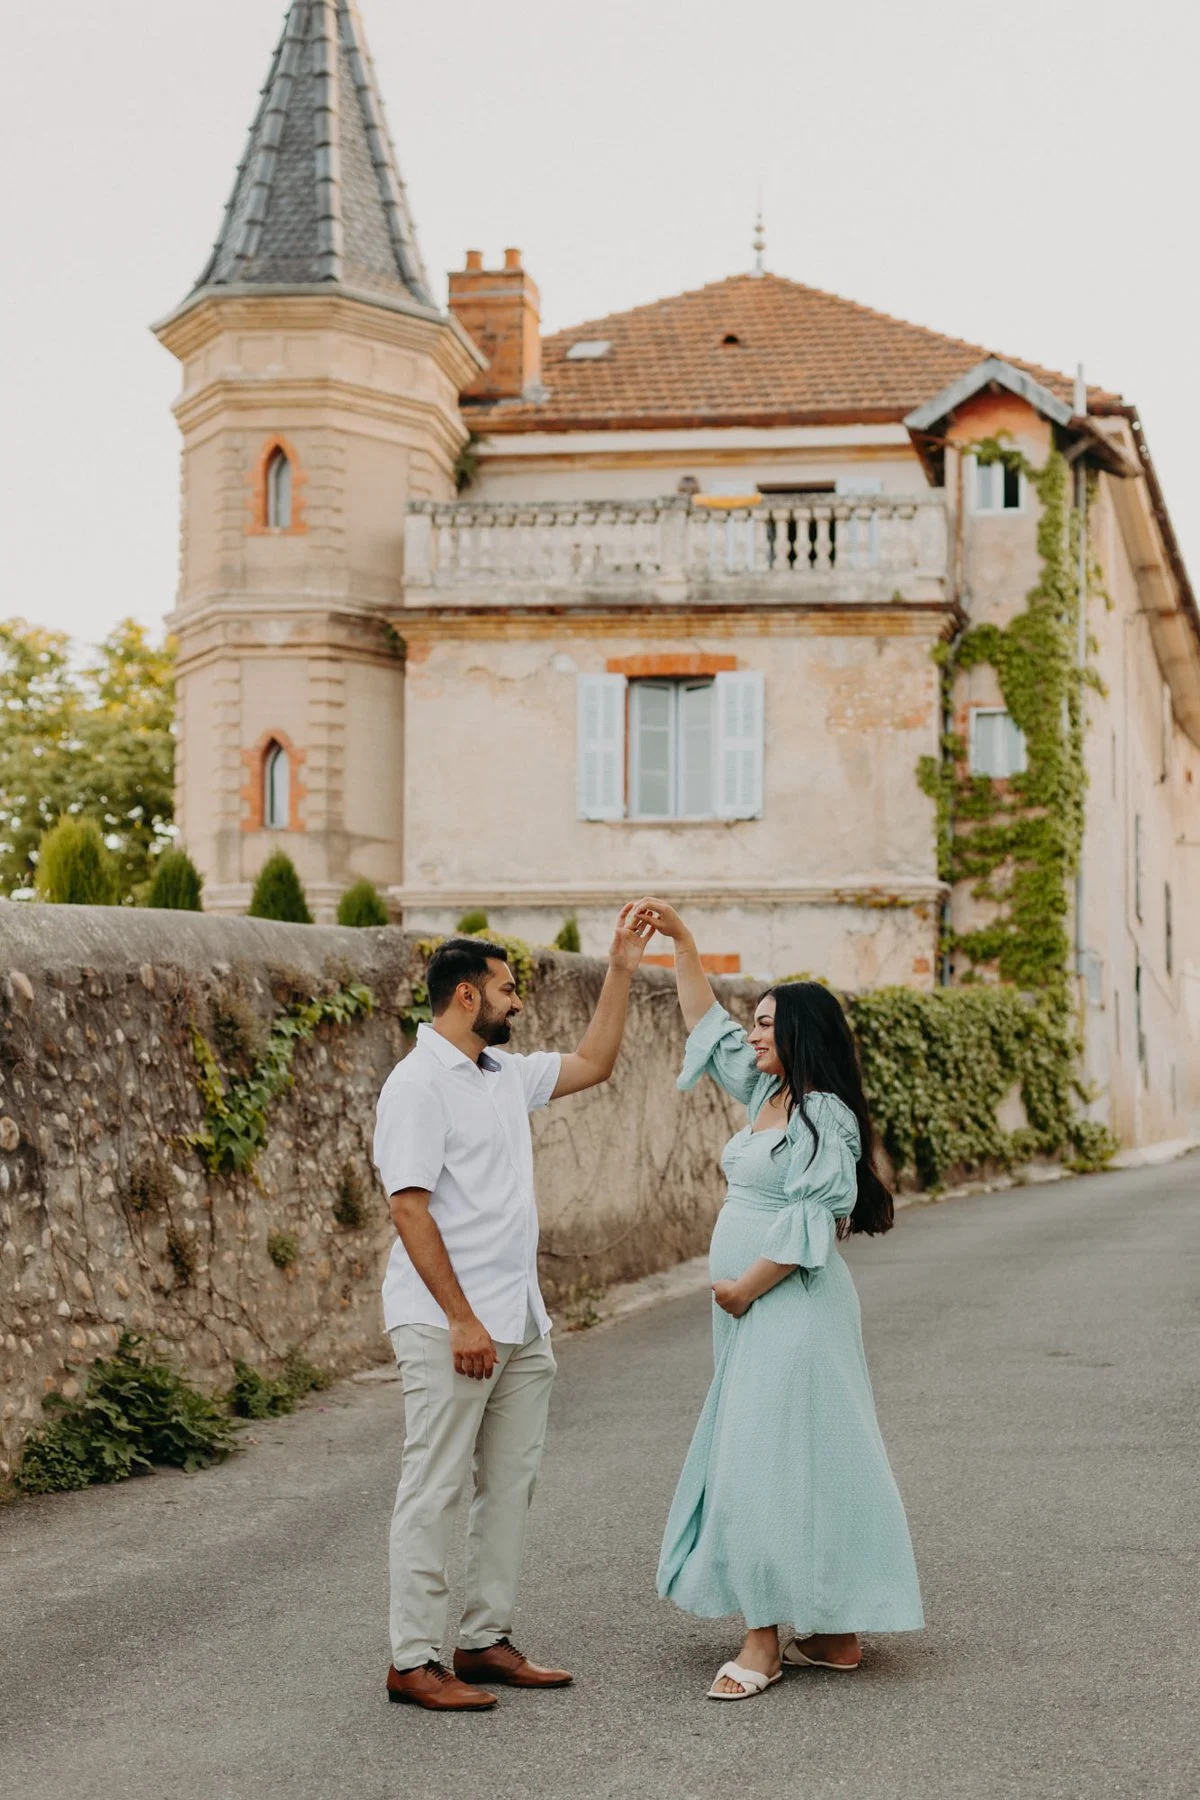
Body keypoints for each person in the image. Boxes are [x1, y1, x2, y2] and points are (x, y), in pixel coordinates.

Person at [633, 898, 924, 1701]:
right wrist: (686, 944)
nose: (752, 1034)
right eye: (754, 1023)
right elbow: (705, 1022)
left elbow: (816, 1217)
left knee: (762, 1458)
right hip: (754, 1308)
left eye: (766, 1024)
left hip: (788, 1305)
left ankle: (762, 1638)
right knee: (810, 1454)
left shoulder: (822, 1112)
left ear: (799, 1035)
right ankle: (833, 1633)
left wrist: (744, 1288)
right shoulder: (763, 1095)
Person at [373, 909, 653, 1712]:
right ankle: (413, 1659)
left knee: (510, 1484)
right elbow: (410, 1211)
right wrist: (462, 1319)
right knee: (433, 1488)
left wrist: (623, 971)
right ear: (467, 996)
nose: (518, 1002)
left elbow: (596, 1061)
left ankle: (483, 1641)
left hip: (521, 1321)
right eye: (507, 989)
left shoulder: (503, 1075)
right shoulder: (418, 1085)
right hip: (448, 1322)